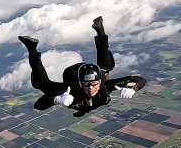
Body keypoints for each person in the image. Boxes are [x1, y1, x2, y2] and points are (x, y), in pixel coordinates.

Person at [18, 16, 146, 116]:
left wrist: (132, 87)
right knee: (106, 67)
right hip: (72, 76)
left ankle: (32, 49)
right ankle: (100, 32)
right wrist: (56, 99)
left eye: (94, 84)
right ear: (81, 84)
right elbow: (40, 105)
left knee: (43, 85)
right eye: (87, 85)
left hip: (84, 74)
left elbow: (138, 80)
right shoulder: (74, 91)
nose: (90, 88)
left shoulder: (96, 89)